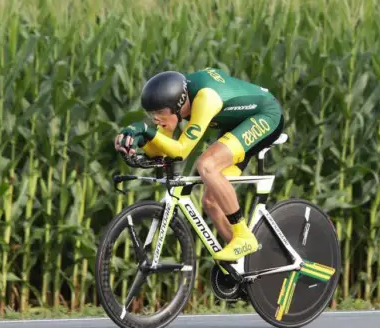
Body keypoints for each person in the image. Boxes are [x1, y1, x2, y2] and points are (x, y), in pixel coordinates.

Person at [114, 68, 284, 262]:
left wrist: (146, 130)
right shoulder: (178, 101)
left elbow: (180, 151)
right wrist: (137, 139)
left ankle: (243, 236)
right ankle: (250, 266)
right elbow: (161, 150)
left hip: (266, 115)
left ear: (178, 105)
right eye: (152, 114)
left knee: (207, 165)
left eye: (160, 113)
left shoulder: (205, 99)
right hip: (237, 123)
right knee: (211, 202)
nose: (156, 119)